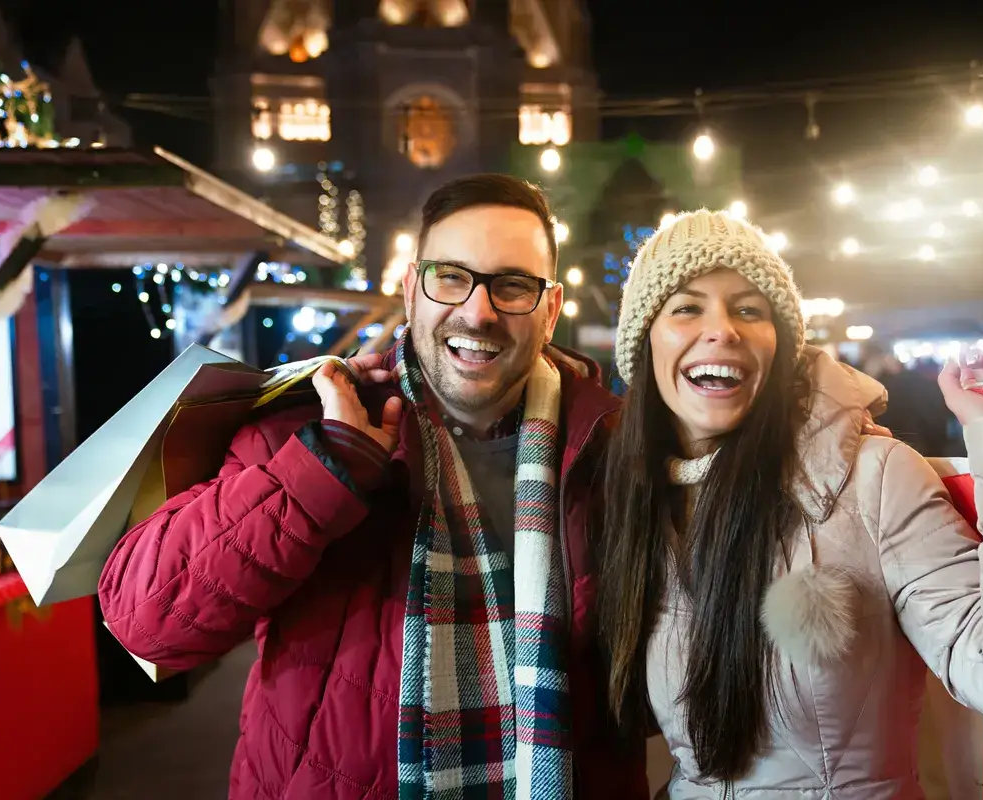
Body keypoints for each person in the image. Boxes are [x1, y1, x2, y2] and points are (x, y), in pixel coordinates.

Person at [97, 174, 650, 799]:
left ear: (549, 311)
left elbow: (660, 699)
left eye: (514, 285)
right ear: (412, 290)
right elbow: (145, 621)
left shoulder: (615, 449)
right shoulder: (312, 424)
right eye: (451, 276)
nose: (478, 311)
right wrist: (319, 473)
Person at [596, 210, 983, 799]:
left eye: (748, 309)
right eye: (687, 307)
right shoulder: (636, 503)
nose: (722, 329)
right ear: (644, 343)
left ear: (782, 344)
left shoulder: (874, 478)